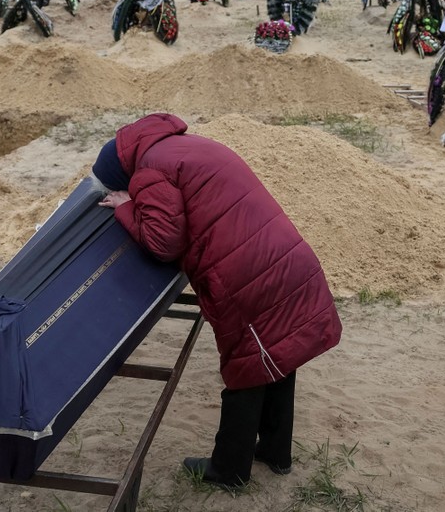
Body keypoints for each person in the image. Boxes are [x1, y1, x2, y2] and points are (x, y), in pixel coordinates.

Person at [93, 112, 342, 490]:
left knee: (246, 366)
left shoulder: (148, 172)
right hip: (282, 255)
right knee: (279, 352)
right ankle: (276, 452)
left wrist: (128, 206)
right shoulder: (185, 147)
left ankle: (229, 469)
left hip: (248, 275)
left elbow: (163, 242)